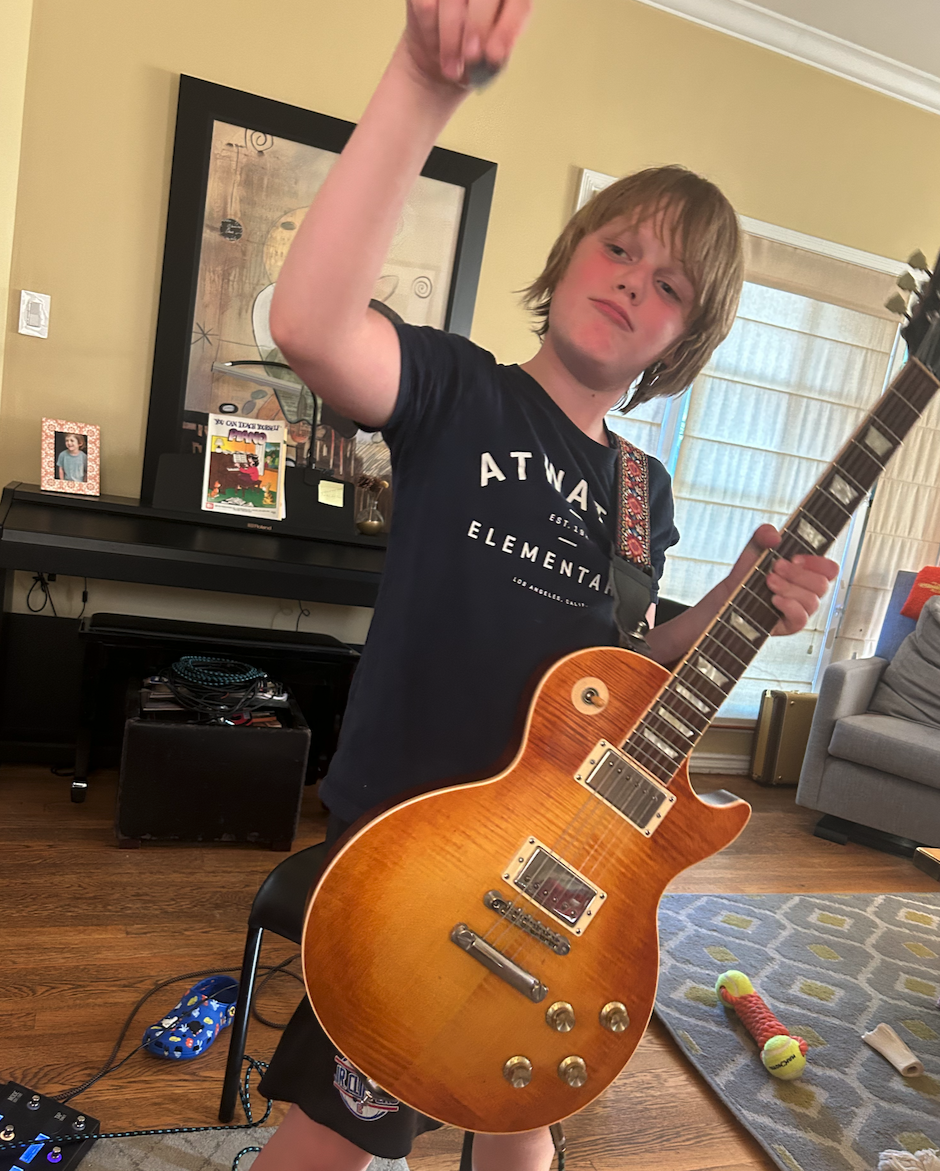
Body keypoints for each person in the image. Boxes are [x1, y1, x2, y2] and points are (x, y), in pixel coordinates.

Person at [251, 4, 839, 1169]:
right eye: (617, 248)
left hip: (558, 858)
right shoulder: (458, 394)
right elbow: (312, 325)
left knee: (518, 1122)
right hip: (417, 853)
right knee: (338, 1141)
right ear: (568, 256)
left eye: (668, 286)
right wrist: (421, 84)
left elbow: (626, 662)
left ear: (680, 342)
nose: (631, 285)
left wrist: (739, 596)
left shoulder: (642, 487)